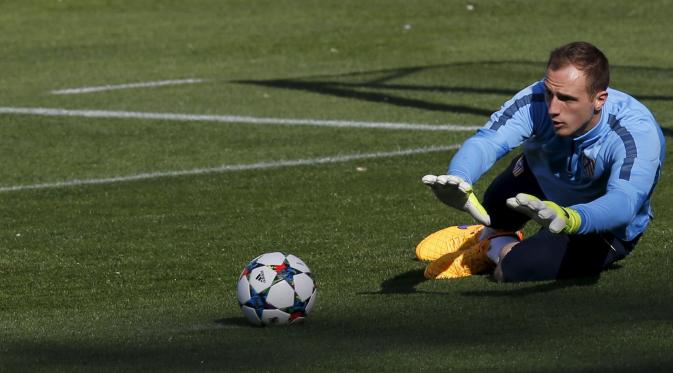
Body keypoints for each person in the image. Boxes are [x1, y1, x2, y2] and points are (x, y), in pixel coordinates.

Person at [417, 41, 666, 282]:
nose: (553, 108)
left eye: (567, 99)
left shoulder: (635, 134)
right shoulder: (536, 98)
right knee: (492, 207)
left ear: (599, 99)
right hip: (542, 178)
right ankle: (487, 232)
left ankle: (491, 246)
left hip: (600, 224)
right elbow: (488, 141)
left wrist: (571, 218)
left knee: (513, 269)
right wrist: (460, 176)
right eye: (550, 93)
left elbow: (624, 203)